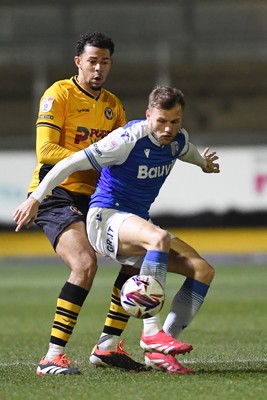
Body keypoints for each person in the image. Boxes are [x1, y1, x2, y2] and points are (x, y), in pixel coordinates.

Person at [13, 85, 220, 374]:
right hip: (105, 218)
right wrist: (36, 198)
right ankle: (151, 332)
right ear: (149, 115)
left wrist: (205, 165)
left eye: (175, 122)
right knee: (157, 238)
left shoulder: (177, 141)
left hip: (135, 224)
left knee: (202, 269)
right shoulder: (128, 138)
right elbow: (71, 162)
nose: (167, 128)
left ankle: (161, 349)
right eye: (161, 121)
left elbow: (190, 152)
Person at [17, 31, 148, 375]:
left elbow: (122, 158)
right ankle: (51, 357)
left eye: (105, 62)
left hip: (97, 199)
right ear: (78, 62)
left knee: (140, 252)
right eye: (92, 61)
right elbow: (45, 151)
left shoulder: (114, 106)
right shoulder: (58, 94)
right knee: (85, 264)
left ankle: (107, 347)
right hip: (56, 194)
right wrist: (93, 157)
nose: (98, 68)